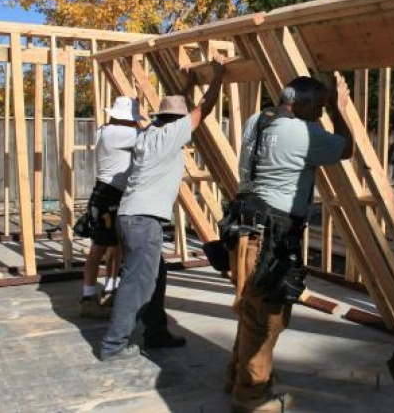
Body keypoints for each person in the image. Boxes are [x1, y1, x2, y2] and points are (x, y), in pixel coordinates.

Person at [225, 75, 354, 413]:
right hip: (273, 235)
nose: (321, 114)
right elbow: (346, 148)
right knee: (267, 317)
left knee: (250, 307)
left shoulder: (258, 120)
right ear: (305, 104)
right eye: (320, 107)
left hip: (244, 226)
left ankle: (237, 376)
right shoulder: (305, 133)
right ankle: (251, 396)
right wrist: (340, 110)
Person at [98, 56, 226, 361]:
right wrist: (218, 76)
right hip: (143, 221)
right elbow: (200, 111)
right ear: (176, 121)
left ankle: (156, 333)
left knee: (156, 276)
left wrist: (190, 84)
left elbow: (178, 109)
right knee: (137, 284)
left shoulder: (152, 132)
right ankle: (113, 345)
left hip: (133, 217)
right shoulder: (170, 135)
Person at [79, 96, 141, 318]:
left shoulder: (106, 130)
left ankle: (109, 290)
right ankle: (89, 298)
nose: (136, 123)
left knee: (115, 247)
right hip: (109, 195)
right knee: (100, 247)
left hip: (111, 194)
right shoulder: (119, 133)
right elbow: (152, 136)